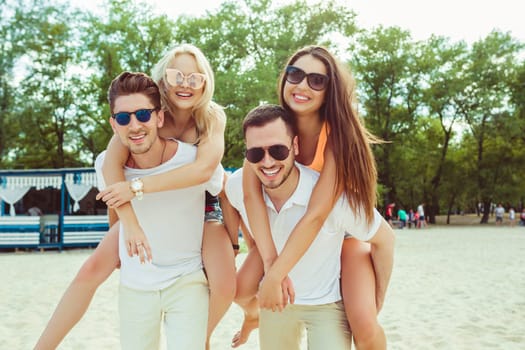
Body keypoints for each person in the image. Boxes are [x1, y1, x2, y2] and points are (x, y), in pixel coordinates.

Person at [34, 44, 236, 350]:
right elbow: (112, 171)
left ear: (206, 82)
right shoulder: (142, 117)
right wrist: (124, 224)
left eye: (195, 78)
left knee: (224, 284)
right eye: (177, 76)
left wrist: (234, 242)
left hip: (200, 201)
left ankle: (202, 336)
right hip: (141, 201)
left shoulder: (210, 117)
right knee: (91, 269)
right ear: (163, 80)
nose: (185, 83)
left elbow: (205, 172)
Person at [232, 45, 393, 350]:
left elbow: (318, 213)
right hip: (288, 230)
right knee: (240, 291)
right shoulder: (269, 128)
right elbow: (251, 198)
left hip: (338, 231)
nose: (303, 85)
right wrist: (270, 264)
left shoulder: (337, 136)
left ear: (328, 90)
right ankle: (253, 317)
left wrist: (378, 295)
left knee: (365, 325)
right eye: (295, 74)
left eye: (316, 80)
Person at [101, 71, 224, 348]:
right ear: (114, 125)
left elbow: (222, 187)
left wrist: (234, 241)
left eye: (143, 115)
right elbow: (113, 197)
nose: (134, 125)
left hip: (186, 282)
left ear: (159, 117)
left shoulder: (192, 159)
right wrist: (123, 232)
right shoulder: (108, 165)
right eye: (123, 118)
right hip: (135, 285)